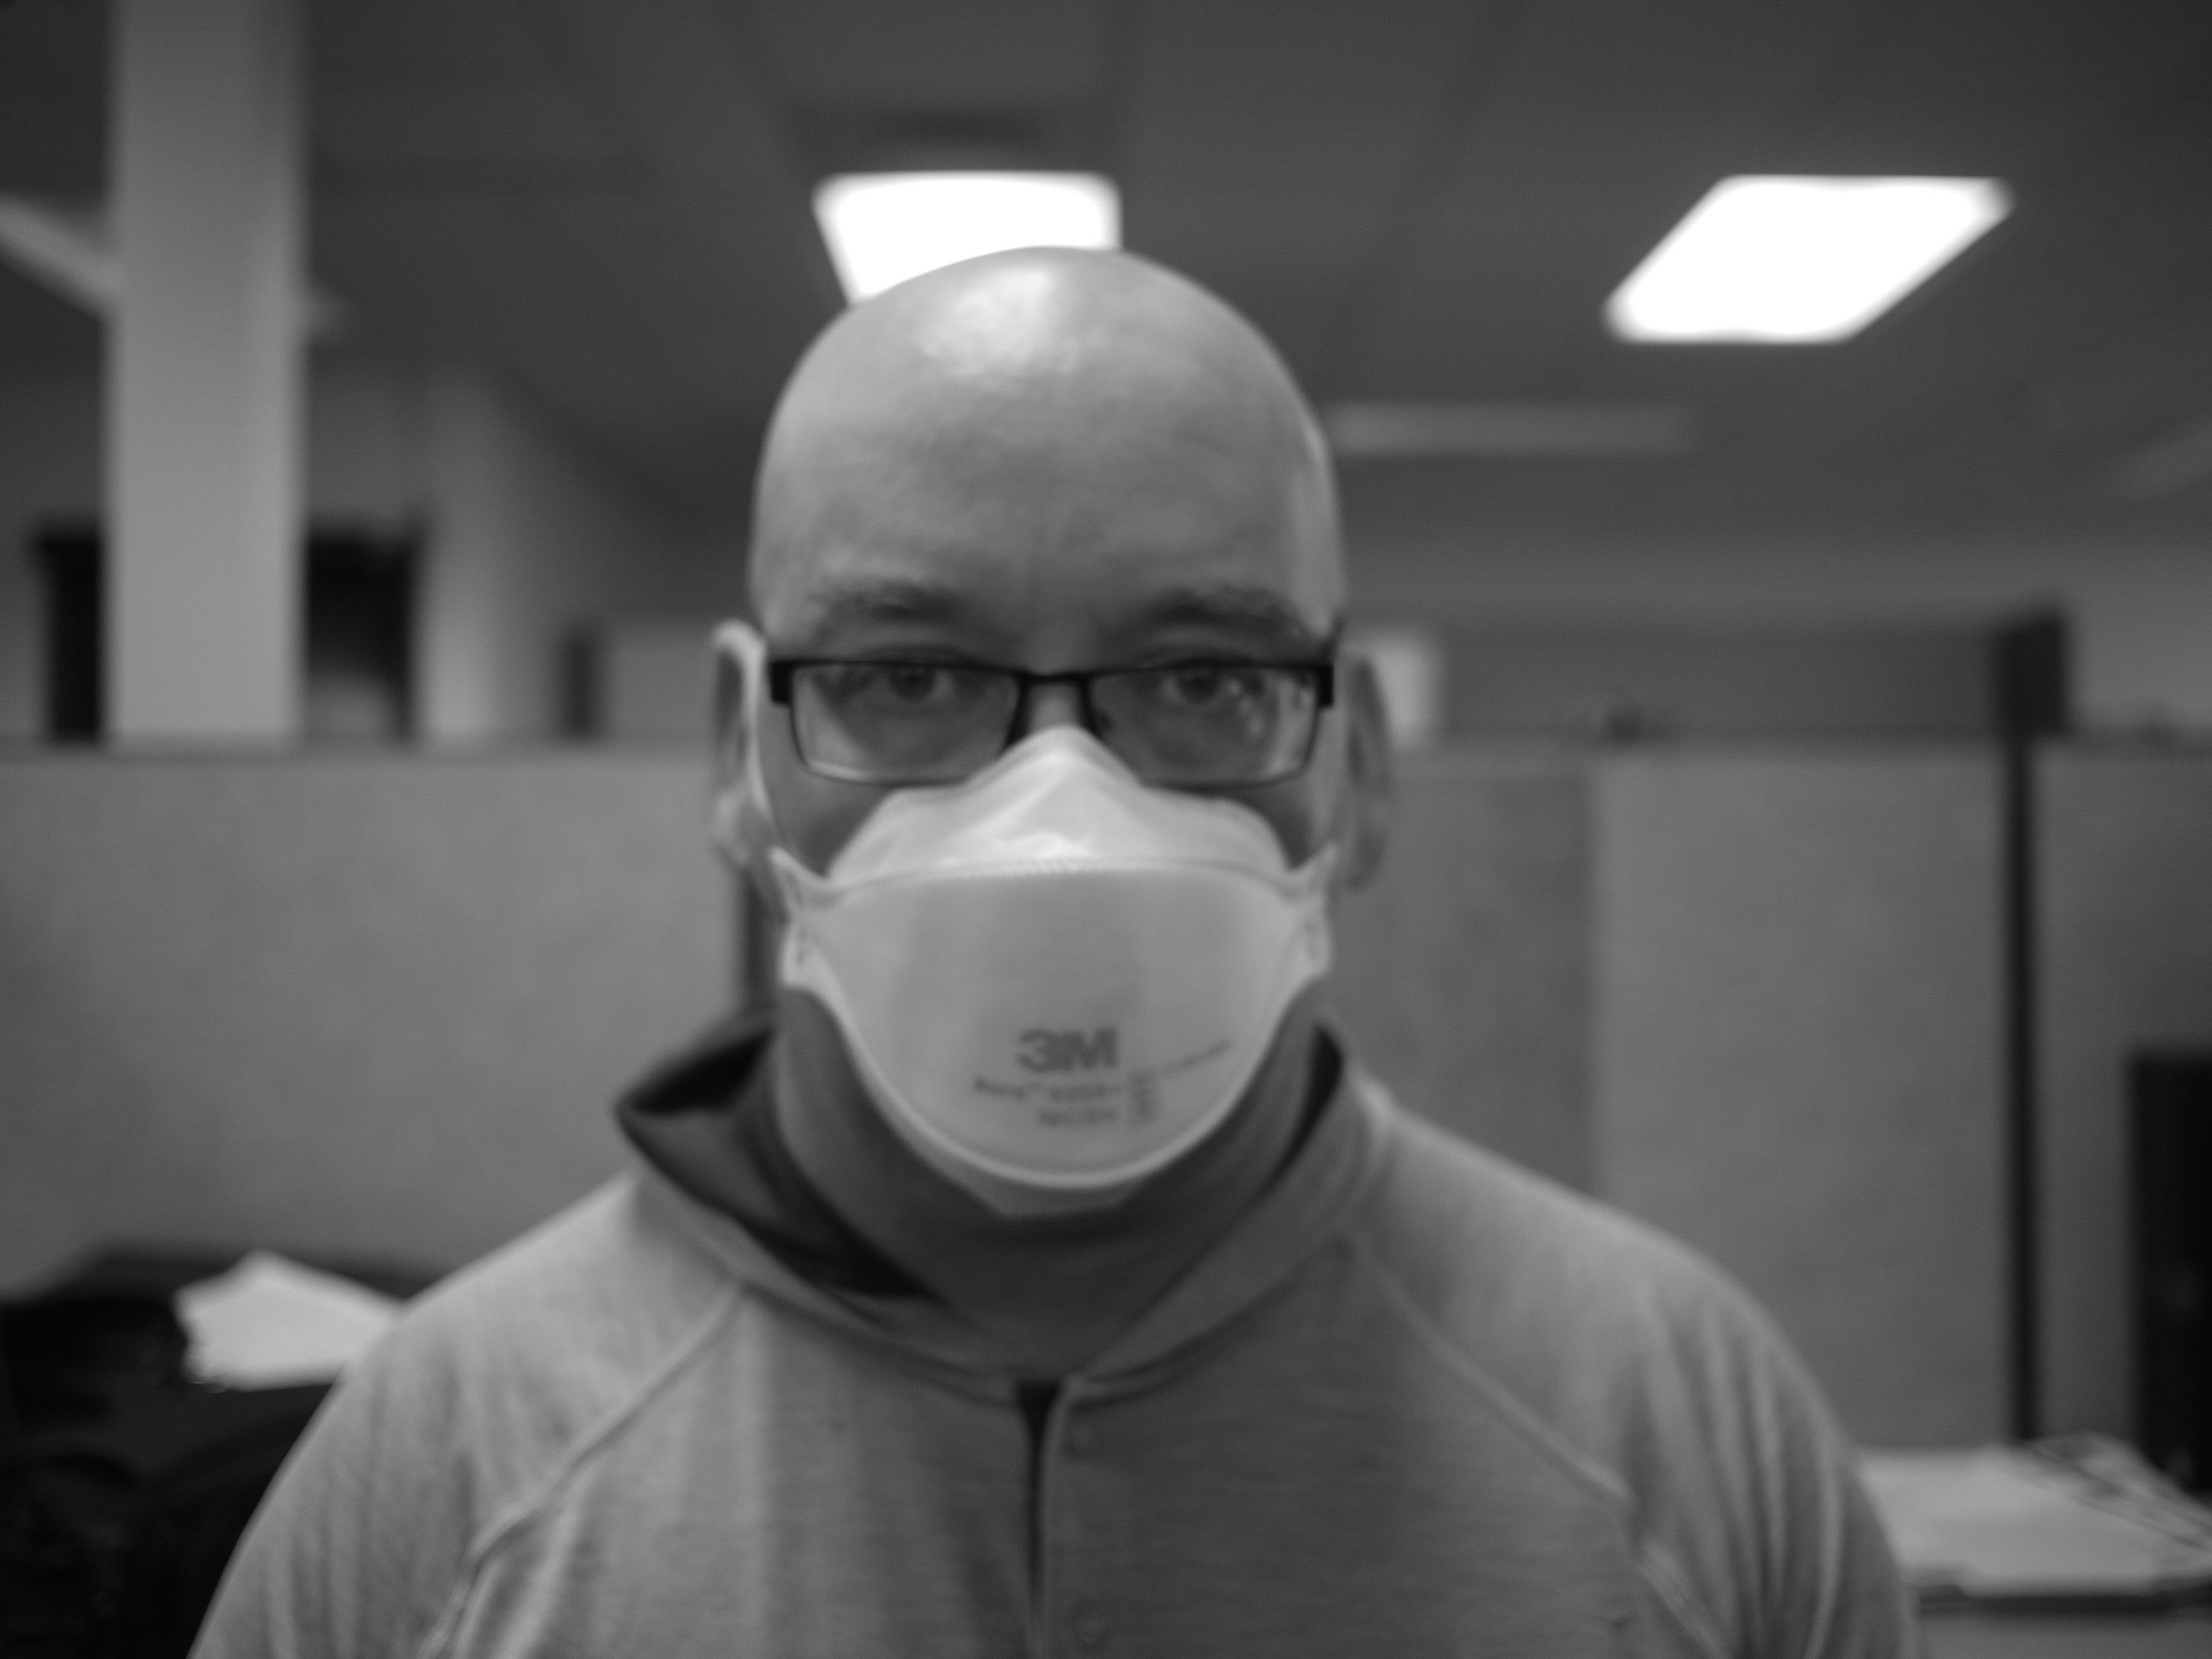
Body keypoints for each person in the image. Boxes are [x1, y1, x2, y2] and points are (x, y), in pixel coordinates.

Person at [194, 249, 1917, 1657]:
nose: (1059, 819)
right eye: (907, 674)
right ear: (738, 754)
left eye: (1200, 679)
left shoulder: (1684, 1432)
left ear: (1359, 764)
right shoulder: (443, 1467)